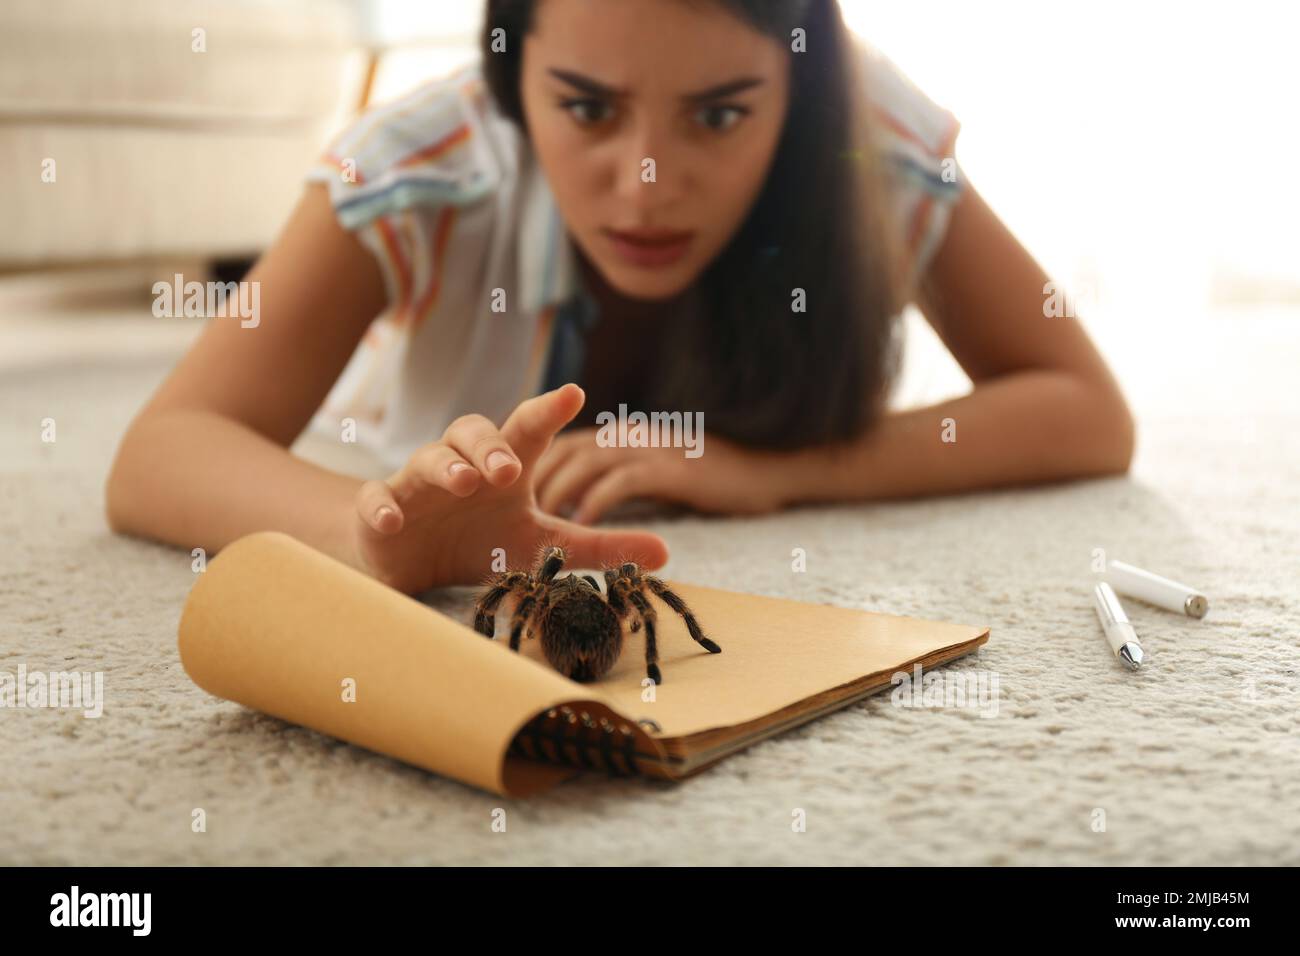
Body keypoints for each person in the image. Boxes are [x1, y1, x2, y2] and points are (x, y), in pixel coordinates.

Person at [106, 0, 1134, 596]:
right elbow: (164, 448)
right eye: (588, 108)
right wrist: (372, 526)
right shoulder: (417, 166)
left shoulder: (869, 139)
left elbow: (1084, 407)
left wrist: (785, 473)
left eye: (720, 115)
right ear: (514, 82)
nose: (646, 180)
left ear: (797, 85)